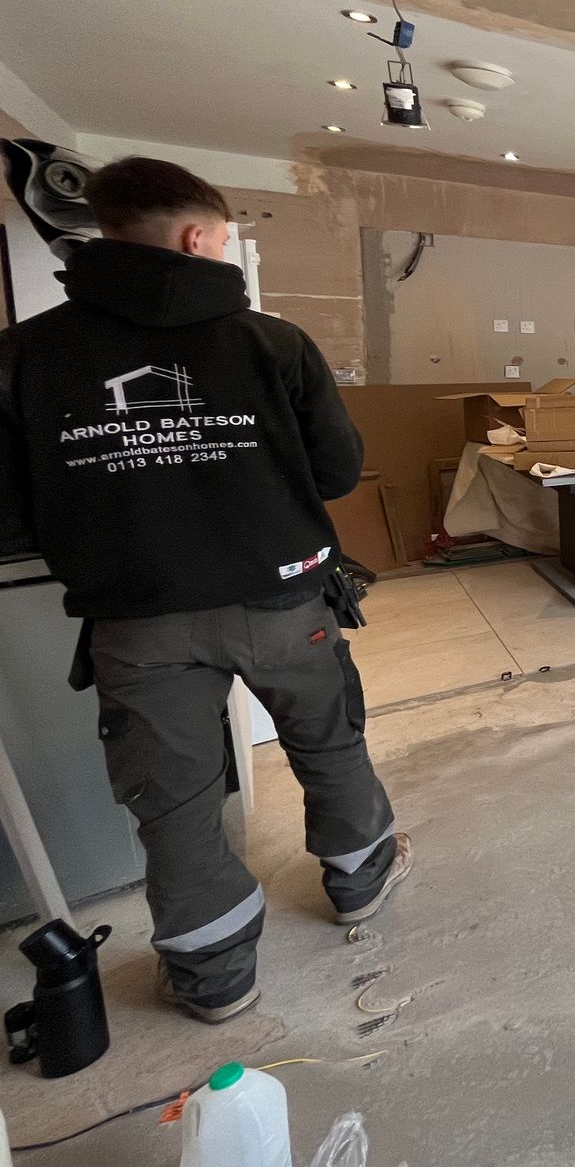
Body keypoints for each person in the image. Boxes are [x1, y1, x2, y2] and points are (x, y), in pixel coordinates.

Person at [0, 156, 411, 1024]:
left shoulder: (27, 352)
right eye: (225, 237)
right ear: (198, 239)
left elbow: (9, 513)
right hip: (284, 601)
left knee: (174, 800)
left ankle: (216, 974)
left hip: (137, 619)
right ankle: (360, 882)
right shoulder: (274, 343)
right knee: (330, 742)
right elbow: (337, 469)